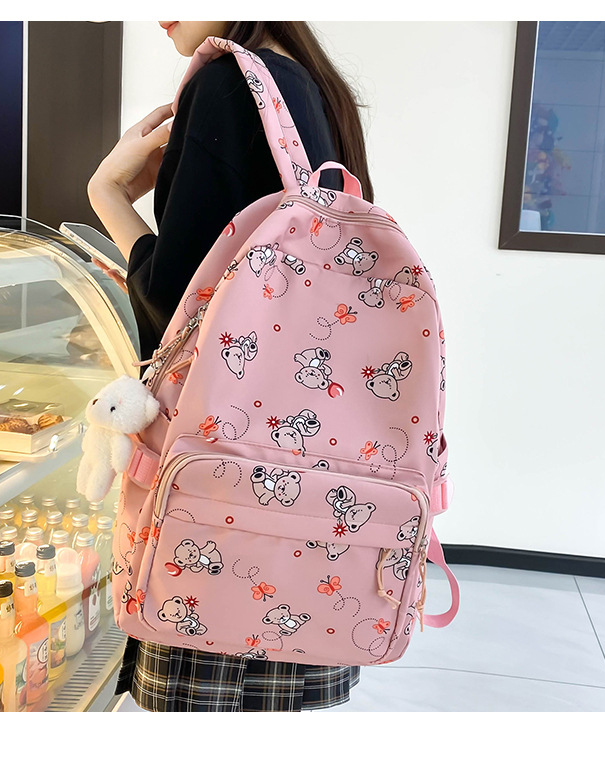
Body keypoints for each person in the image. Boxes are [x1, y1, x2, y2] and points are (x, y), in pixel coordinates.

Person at [87, 21, 374, 712]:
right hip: (306, 500)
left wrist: (107, 195)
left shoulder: (227, 84)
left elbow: (178, 305)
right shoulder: (312, 87)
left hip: (221, 504)